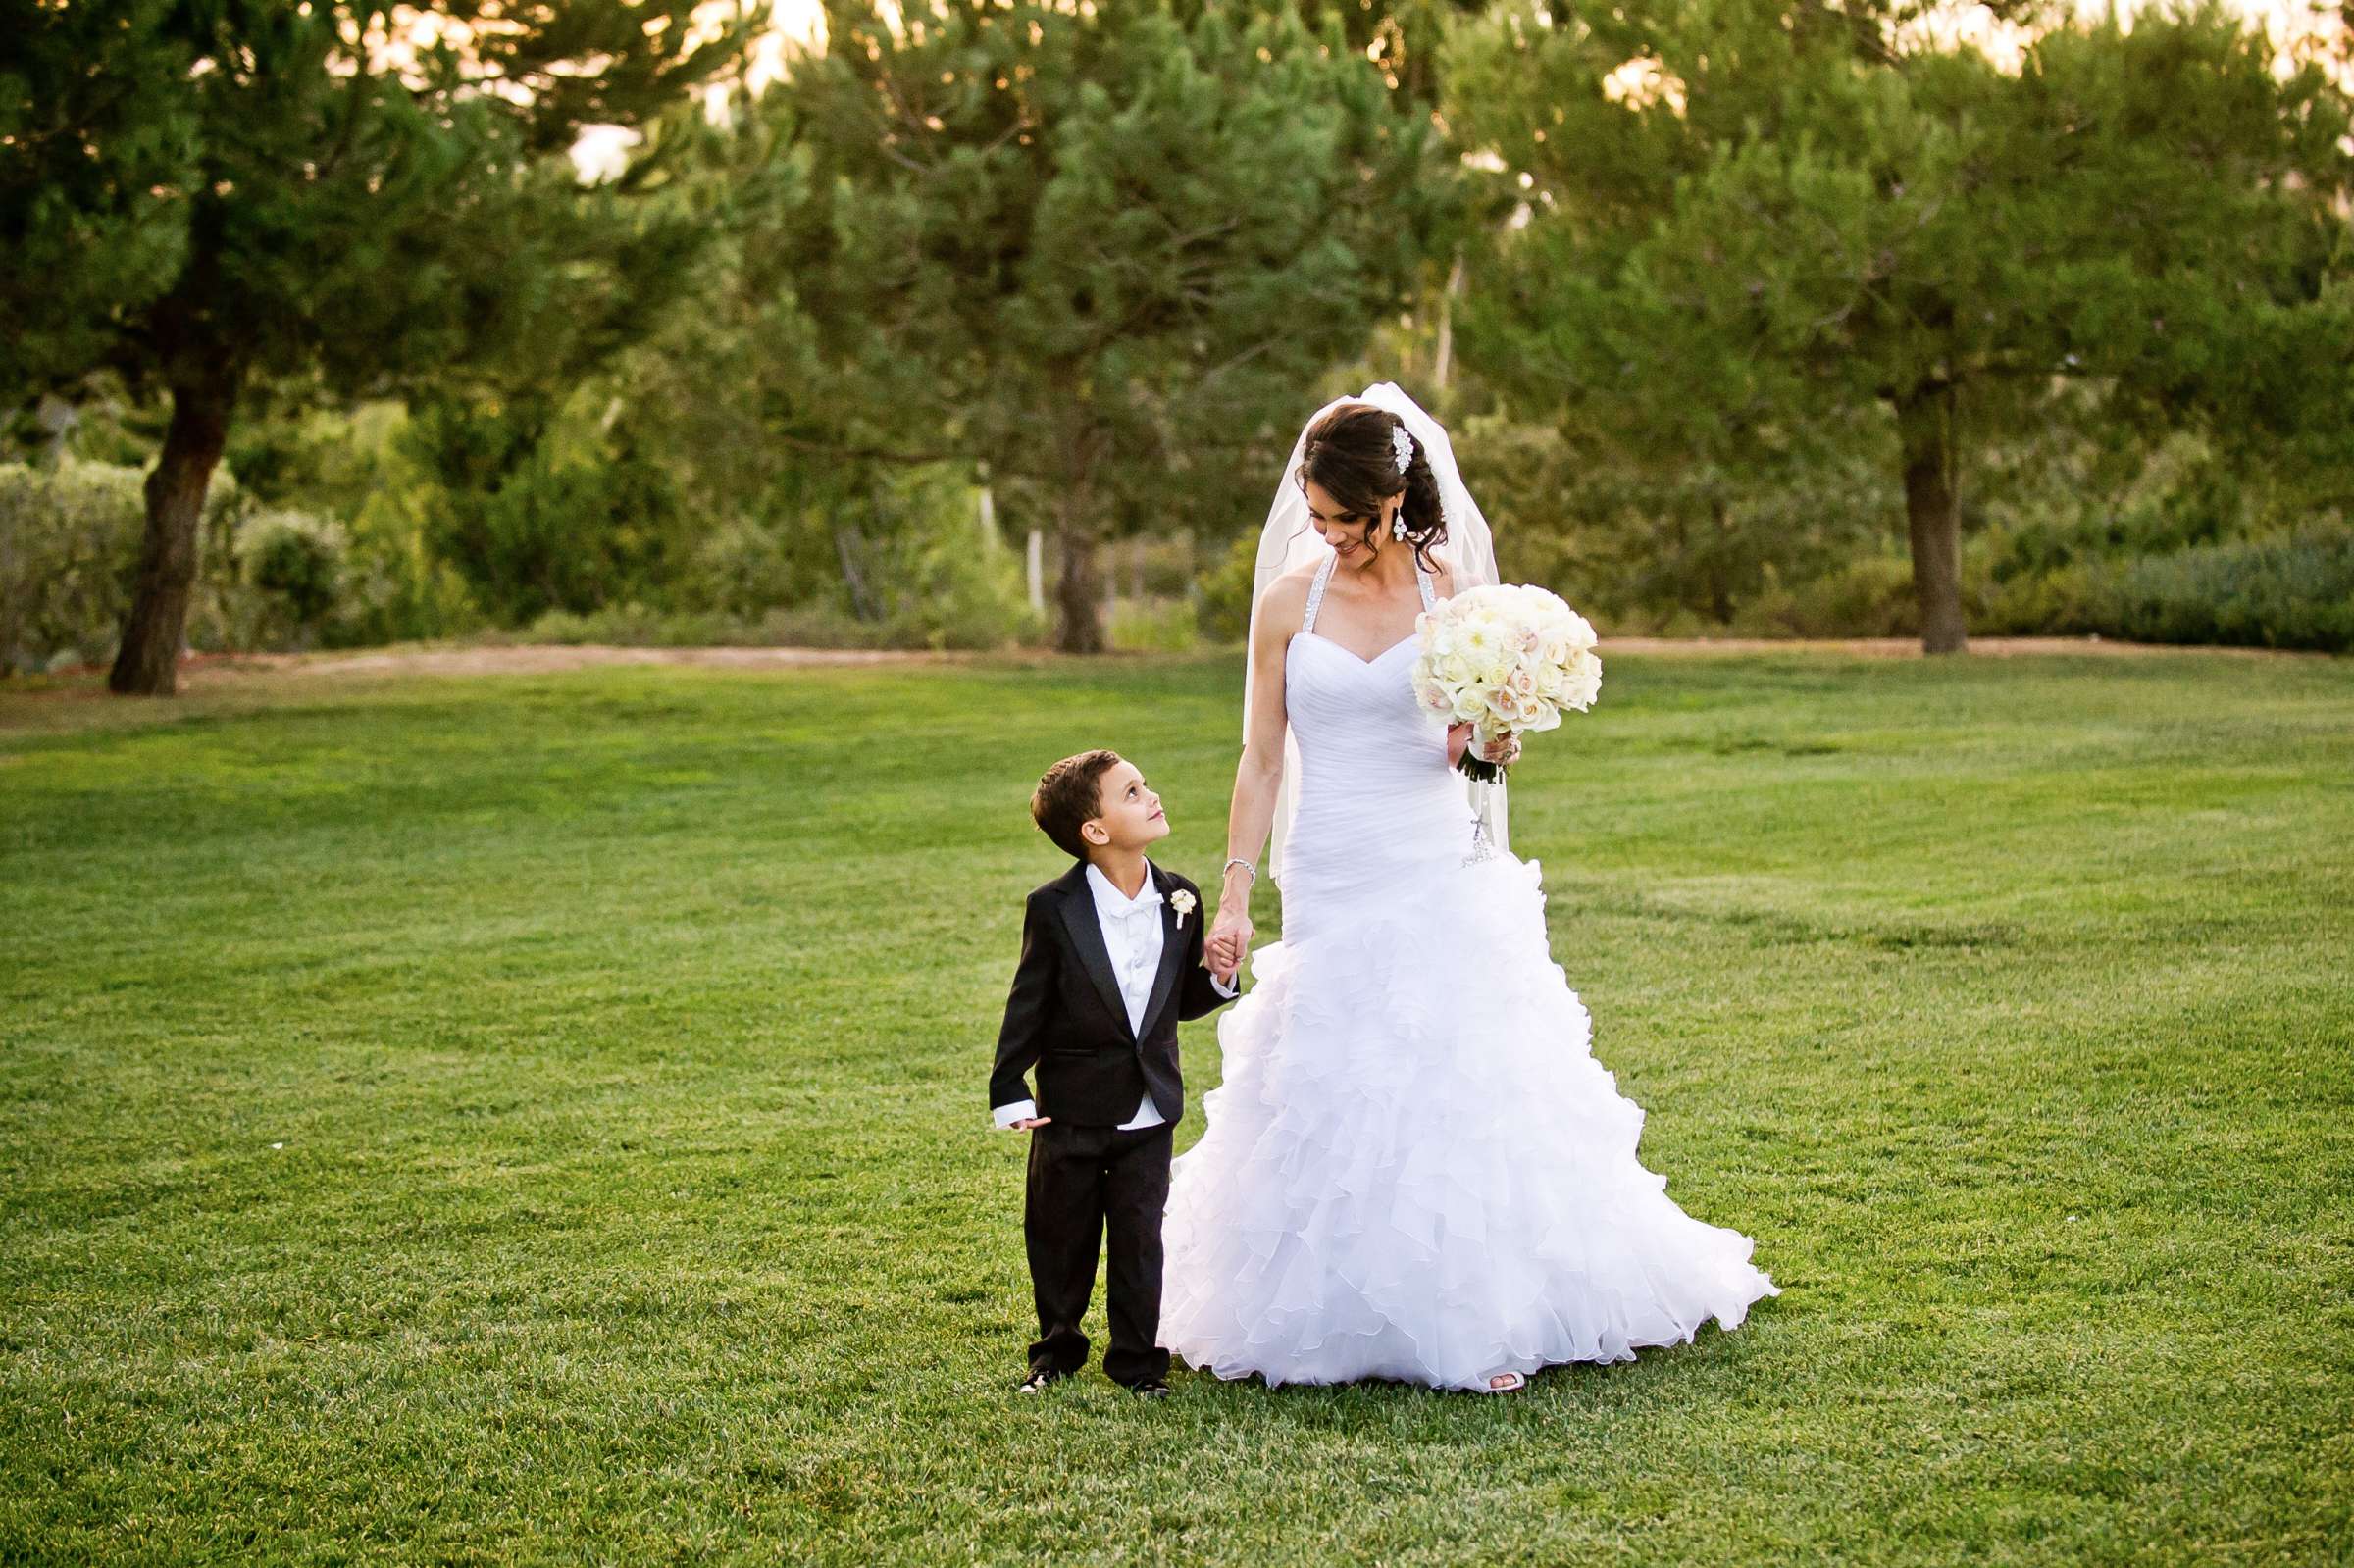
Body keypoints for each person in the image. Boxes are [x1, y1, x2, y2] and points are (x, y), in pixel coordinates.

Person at [1160, 384, 1782, 1393]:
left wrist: (1500, 732)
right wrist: (1235, 896)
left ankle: (1477, 1312)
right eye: (1313, 518)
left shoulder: (1454, 600)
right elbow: (1261, 760)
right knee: (1328, 1072)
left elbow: (1471, 758)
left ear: (1393, 502)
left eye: (1344, 522)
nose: (1327, 538)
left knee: (1445, 1073)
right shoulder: (1288, 602)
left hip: (1427, 857)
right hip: (1327, 864)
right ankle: (1328, 1310)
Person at [989, 749, 1240, 1396]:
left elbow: (1176, 1000)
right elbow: (1029, 1001)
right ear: (1095, 831)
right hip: (1069, 1108)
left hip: (1150, 1110)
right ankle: (1056, 1350)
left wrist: (1217, 975)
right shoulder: (1054, 907)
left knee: (1139, 1239)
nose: (1151, 794)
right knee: (1060, 1233)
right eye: (1131, 792)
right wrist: (1009, 1085)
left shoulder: (1180, 897)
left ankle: (1137, 1362)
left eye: (1144, 783)